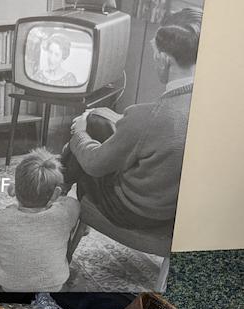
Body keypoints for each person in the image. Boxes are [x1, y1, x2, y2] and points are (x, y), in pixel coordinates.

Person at [61, 8, 202, 231]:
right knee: (97, 120)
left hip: (136, 212)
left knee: (78, 154)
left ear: (164, 60)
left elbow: (95, 164)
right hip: (179, 211)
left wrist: (80, 133)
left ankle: (47, 208)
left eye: (155, 53)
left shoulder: (146, 116)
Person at [0, 148, 80, 292]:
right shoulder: (65, 212)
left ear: (15, 189)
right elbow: (73, 202)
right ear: (55, 194)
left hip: (10, 289)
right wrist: (54, 198)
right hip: (56, 287)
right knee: (71, 229)